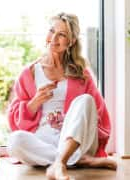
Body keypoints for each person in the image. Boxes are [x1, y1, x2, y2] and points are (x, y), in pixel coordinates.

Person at [7, 12, 117, 180]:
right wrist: (35, 102)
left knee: (86, 100)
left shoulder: (82, 73)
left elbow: (99, 114)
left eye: (62, 34)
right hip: (43, 139)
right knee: (14, 141)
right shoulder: (29, 73)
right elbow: (14, 119)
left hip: (76, 140)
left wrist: (76, 121)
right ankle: (76, 161)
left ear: (71, 41)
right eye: (52, 31)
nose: (54, 38)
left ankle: (60, 162)